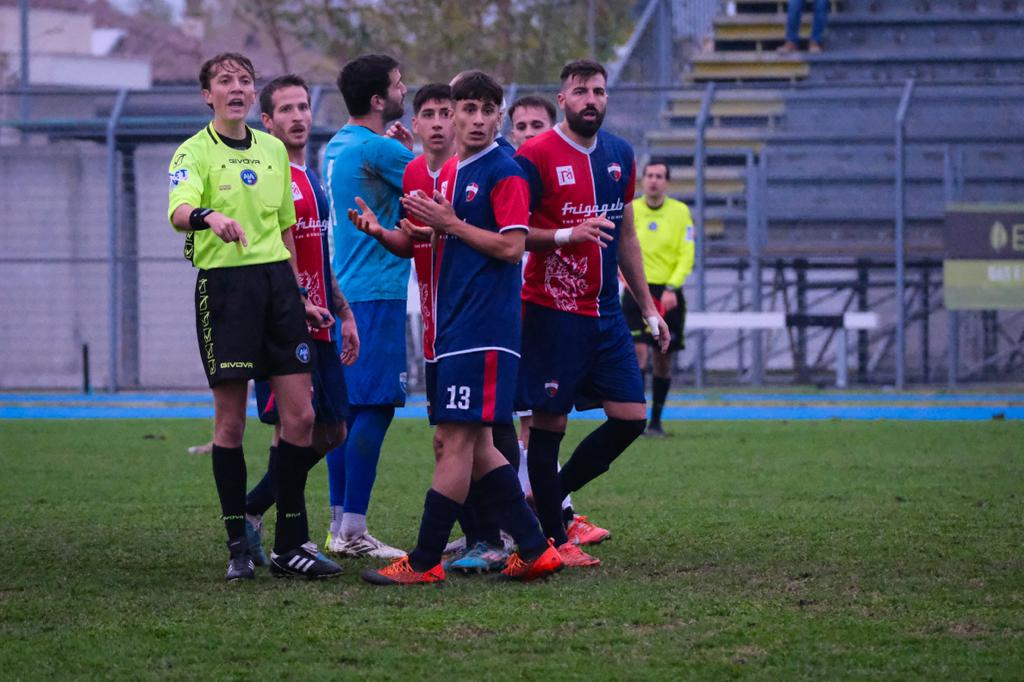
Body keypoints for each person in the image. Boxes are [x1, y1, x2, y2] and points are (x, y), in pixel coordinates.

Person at [361, 71, 562, 586]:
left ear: (499, 115)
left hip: (484, 329)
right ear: (453, 114)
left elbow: (512, 246)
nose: (474, 119)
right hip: (455, 326)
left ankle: (424, 560)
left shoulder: (506, 171)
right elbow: (450, 238)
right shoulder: (452, 172)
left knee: (453, 441)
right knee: (476, 448)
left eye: (484, 109)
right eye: (465, 109)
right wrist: (412, 230)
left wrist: (448, 225)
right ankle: (536, 548)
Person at [166, 53, 341, 581]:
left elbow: (285, 232)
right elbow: (178, 213)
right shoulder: (193, 152)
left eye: (245, 80)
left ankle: (291, 545)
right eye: (226, 81)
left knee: (303, 419)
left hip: (278, 289)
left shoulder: (271, 151)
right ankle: (237, 543)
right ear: (208, 95)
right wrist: (209, 216)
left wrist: (300, 294)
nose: (237, 88)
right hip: (225, 291)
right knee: (232, 423)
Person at [514, 59, 669, 568]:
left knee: (630, 417)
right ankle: (555, 540)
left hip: (605, 313)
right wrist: (565, 235)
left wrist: (647, 306)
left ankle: (548, 494)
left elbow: (625, 236)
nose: (590, 100)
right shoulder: (535, 155)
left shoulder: (621, 153)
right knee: (548, 424)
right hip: (553, 311)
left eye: (598, 91)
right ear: (562, 99)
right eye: (580, 91)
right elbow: (511, 235)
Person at [239, 74, 361, 566]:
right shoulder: (264, 176)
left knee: (332, 432)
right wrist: (293, 301)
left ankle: (252, 508)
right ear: (266, 121)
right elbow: (271, 255)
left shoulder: (311, 181)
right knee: (291, 426)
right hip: (282, 323)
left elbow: (318, 257)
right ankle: (294, 542)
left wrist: (343, 311)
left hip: (321, 320)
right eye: (285, 109)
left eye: (302, 107)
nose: (298, 117)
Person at [505, 93, 611, 548]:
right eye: (521, 126)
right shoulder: (505, 175)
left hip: (546, 310)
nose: (528, 133)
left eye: (536, 125)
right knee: (516, 424)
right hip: (512, 310)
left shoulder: (550, 174)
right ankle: (529, 518)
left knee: (536, 422)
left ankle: (549, 511)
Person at [322, 54, 415, 559]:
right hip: (376, 291)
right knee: (376, 408)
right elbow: (438, 188)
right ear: (379, 100)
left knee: (348, 410)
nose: (406, 91)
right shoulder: (381, 150)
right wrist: (411, 153)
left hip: (345, 291)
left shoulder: (339, 145)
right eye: (399, 85)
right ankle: (354, 530)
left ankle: (340, 524)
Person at [624, 158, 693, 438]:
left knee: (662, 357)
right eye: (649, 175)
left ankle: (656, 421)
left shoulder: (680, 212)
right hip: (634, 291)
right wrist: (624, 278)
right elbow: (620, 245)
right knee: (638, 352)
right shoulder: (632, 209)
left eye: (659, 176)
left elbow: (686, 253)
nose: (653, 180)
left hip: (667, 293)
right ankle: (636, 420)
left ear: (667, 182)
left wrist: (672, 287)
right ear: (642, 180)